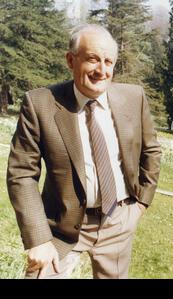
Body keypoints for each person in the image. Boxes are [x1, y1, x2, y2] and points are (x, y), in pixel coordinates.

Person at [7, 24, 162, 279]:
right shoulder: (40, 104)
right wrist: (38, 238)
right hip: (60, 228)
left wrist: (141, 203)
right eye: (92, 59)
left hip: (118, 221)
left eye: (108, 62)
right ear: (71, 60)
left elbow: (152, 151)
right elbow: (21, 174)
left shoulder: (134, 98)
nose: (102, 71)